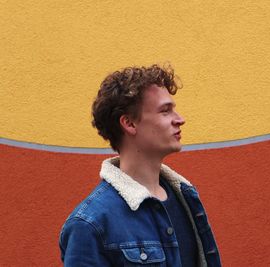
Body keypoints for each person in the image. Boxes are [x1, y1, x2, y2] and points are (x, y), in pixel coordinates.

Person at [59, 64, 221, 266]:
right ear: (129, 124)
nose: (180, 120)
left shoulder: (186, 198)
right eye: (165, 111)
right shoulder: (90, 224)